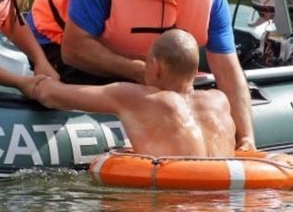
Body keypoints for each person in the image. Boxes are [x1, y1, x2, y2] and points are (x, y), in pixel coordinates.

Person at [27, 0, 255, 151]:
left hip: (150, 65)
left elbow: (228, 70)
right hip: (61, 45)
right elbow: (73, 51)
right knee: (129, 95)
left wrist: (246, 138)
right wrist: (135, 71)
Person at [34, 29, 236, 157]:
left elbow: (50, 95)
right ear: (195, 70)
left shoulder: (137, 98)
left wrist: (36, 76)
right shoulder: (220, 101)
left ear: (155, 66)